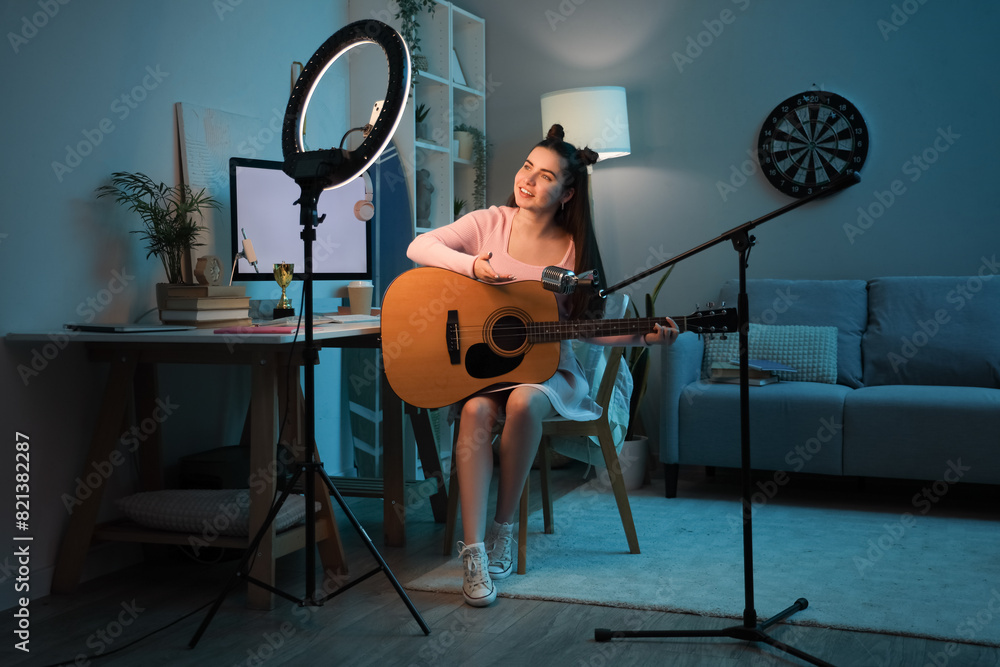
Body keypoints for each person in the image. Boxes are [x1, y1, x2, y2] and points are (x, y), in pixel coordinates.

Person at [406, 124, 678, 607]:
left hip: (550, 372)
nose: (528, 179)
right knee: (473, 413)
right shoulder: (489, 223)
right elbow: (420, 247)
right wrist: (474, 267)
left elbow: (588, 327)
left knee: (526, 400)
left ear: (568, 193)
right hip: (486, 368)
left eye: (546, 175)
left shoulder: (574, 252)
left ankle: (502, 530)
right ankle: (473, 555)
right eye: (527, 166)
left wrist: (644, 336)